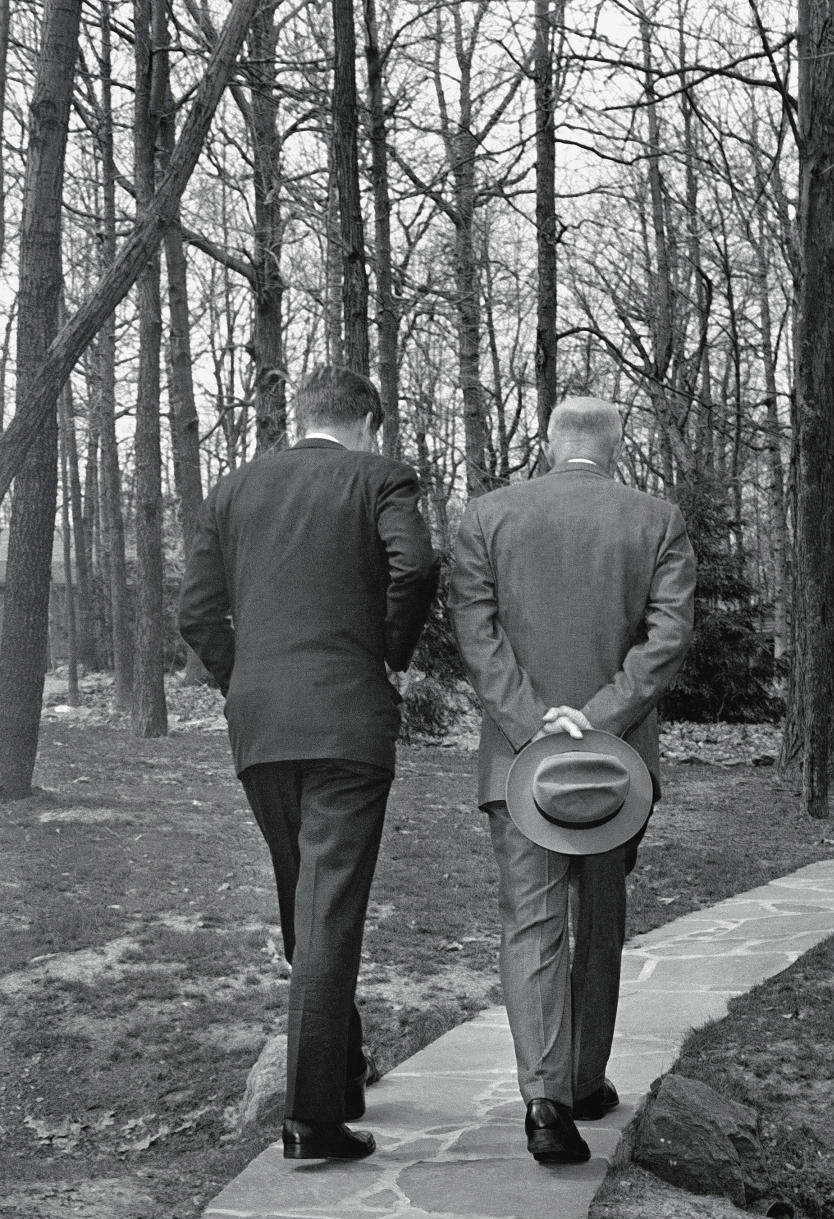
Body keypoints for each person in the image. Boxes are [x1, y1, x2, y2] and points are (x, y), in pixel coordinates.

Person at [179, 364, 439, 1161]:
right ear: (368, 421)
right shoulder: (380, 478)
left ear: (303, 418)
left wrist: (242, 676)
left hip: (259, 725)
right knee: (327, 909)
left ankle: (344, 1073)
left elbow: (194, 610)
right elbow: (417, 567)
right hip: (346, 721)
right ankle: (312, 1119)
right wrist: (387, 652)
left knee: (305, 898)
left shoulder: (233, 489)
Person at [448, 395, 696, 1164]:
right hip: (615, 765)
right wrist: (595, 721)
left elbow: (478, 637)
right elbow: (668, 637)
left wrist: (534, 727)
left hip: (519, 764)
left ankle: (546, 1101)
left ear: (549, 443)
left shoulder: (485, 518)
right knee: (600, 916)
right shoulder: (656, 521)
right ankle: (584, 1078)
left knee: (532, 918)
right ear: (615, 449)